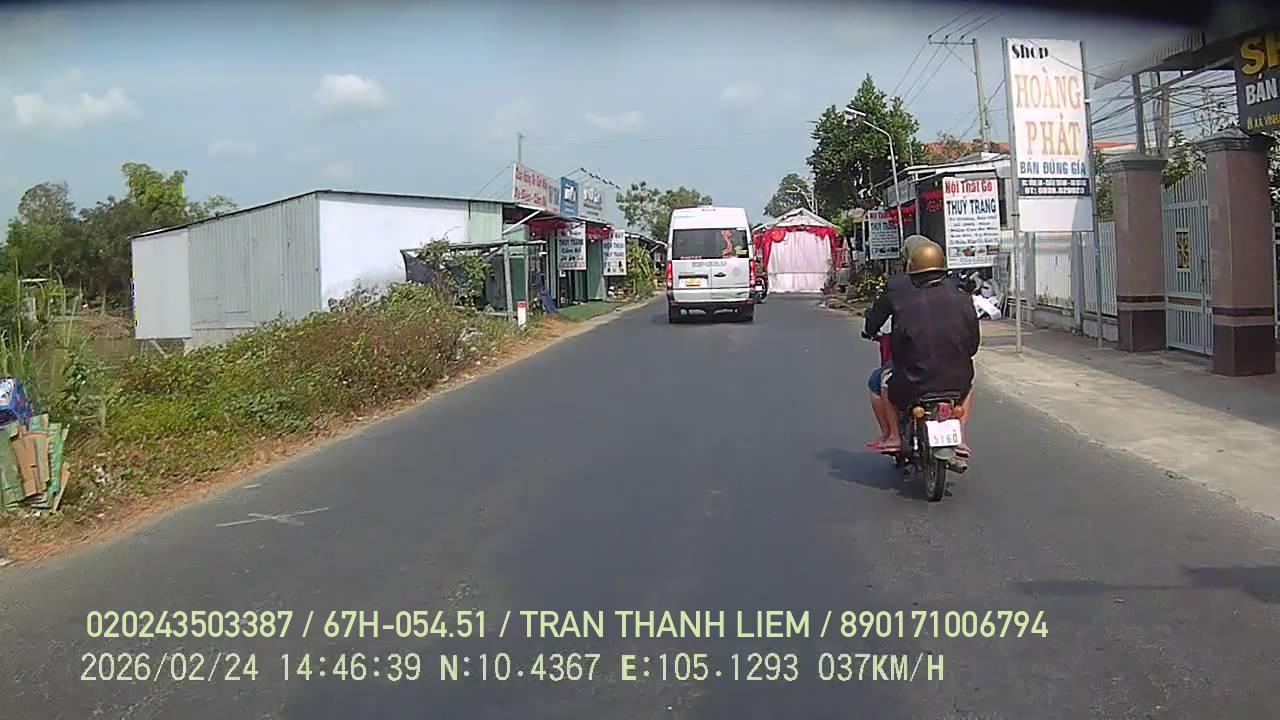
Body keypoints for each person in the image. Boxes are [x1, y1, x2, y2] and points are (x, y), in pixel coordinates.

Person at [863, 237, 979, 456]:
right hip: (957, 378)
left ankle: (894, 436)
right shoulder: (962, 296)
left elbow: (896, 346)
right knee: (968, 386)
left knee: (881, 382)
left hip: (913, 379)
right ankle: (961, 438)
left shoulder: (899, 294)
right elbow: (972, 344)